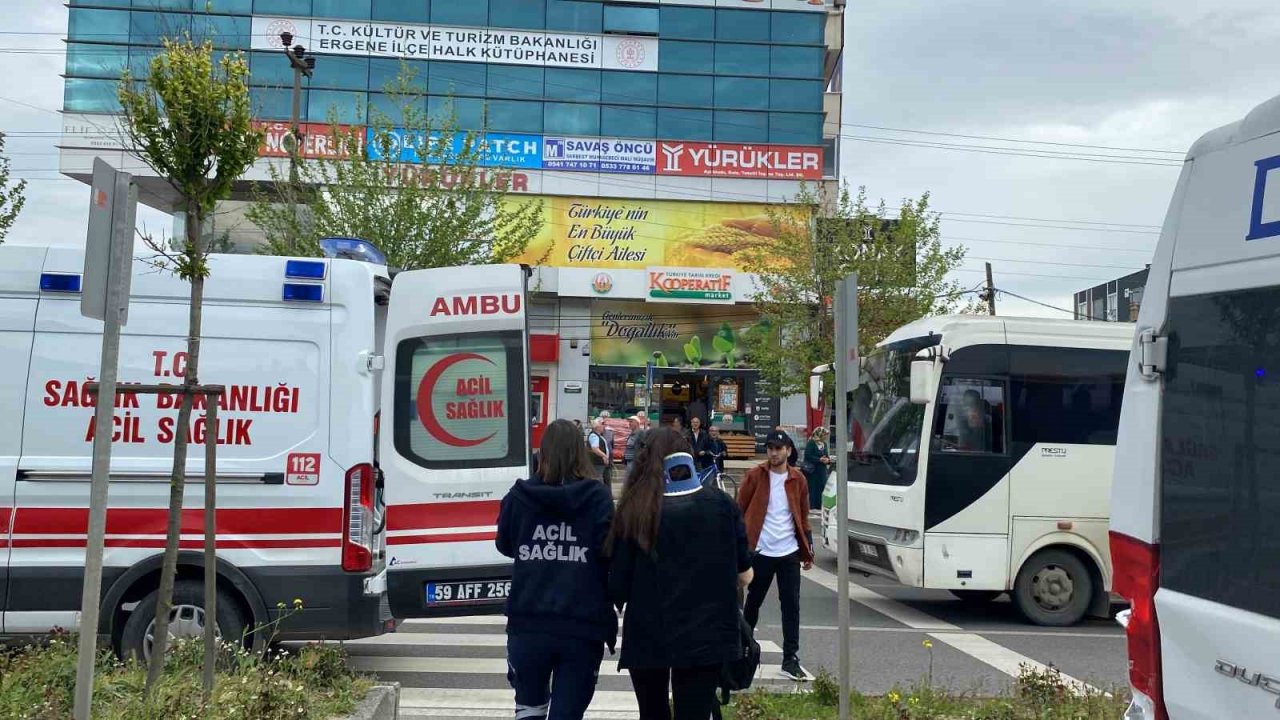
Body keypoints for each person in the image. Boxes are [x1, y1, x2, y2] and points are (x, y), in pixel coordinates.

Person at [608, 428, 754, 720]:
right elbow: (745, 575)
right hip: (706, 636)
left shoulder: (634, 510)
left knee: (652, 713)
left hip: (649, 636)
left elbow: (618, 588)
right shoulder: (722, 505)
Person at [496, 419, 618, 720]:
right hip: (582, 624)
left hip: (529, 621)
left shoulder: (519, 497)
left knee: (529, 709)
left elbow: (505, 545)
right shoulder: (598, 498)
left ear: (543, 453)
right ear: (581, 452)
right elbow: (610, 552)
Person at [738, 431, 813, 681]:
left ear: (788, 451)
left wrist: (808, 548)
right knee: (753, 602)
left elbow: (803, 516)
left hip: (788, 551)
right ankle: (745, 647)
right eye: (770, 448)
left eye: (779, 448)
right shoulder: (755, 476)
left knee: (791, 605)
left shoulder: (798, 479)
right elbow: (740, 510)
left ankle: (790, 658)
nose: (774, 452)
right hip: (761, 550)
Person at [802, 428, 832, 511]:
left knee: (822, 486)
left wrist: (828, 460)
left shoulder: (824, 444)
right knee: (813, 488)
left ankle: (820, 506)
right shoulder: (811, 443)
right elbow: (808, 456)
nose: (825, 436)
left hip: (822, 470)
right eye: (824, 434)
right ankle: (813, 506)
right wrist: (819, 460)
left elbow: (826, 455)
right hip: (813, 470)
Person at [587, 418, 610, 483]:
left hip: (599, 462)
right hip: (596, 462)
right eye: (602, 424)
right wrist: (604, 456)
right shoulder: (594, 435)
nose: (604, 426)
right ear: (597, 426)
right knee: (598, 479)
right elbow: (595, 448)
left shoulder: (598, 436)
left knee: (599, 478)